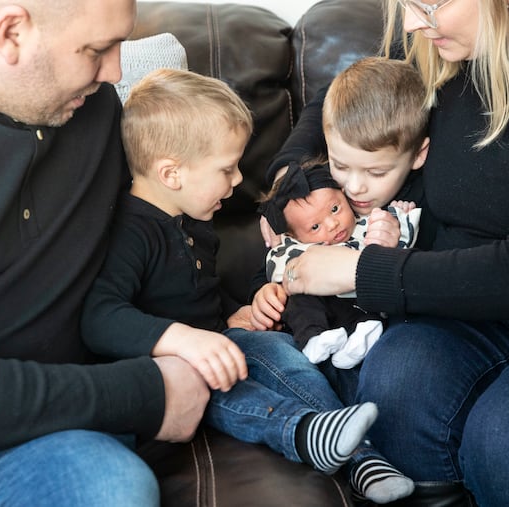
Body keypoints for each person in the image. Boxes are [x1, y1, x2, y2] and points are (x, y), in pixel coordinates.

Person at [266, 0, 509, 505]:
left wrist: (357, 270)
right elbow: (334, 99)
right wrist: (289, 180)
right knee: (394, 391)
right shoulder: (434, 46)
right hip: (474, 308)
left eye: (429, 5)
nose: (413, 23)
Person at [0, 1, 211, 506]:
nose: (116, 72)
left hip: (69, 427)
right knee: (111, 489)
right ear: (10, 33)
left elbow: (149, 239)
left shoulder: (90, 106)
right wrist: (145, 392)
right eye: (96, 50)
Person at [79, 67, 415, 504]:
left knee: (280, 351)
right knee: (216, 381)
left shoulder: (195, 218)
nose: (239, 180)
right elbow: (100, 316)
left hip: (215, 340)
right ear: (172, 174)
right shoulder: (131, 232)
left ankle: (355, 451)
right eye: (227, 169)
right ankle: (309, 435)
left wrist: (238, 312)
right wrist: (182, 340)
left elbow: (195, 290)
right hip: (165, 369)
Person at [252, 57, 429, 369]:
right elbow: (277, 259)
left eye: (376, 172)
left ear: (418, 155)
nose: (355, 187)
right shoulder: (325, 190)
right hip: (312, 327)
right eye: (341, 166)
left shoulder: (414, 202)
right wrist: (268, 293)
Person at [257, 161, 419, 368]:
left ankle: (363, 335)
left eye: (335, 209)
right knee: (299, 301)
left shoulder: (371, 222)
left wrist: (399, 216)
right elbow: (280, 273)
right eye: (315, 227)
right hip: (320, 303)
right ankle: (314, 339)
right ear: (293, 235)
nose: (333, 224)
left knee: (370, 297)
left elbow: (404, 235)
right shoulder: (293, 249)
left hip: (360, 301)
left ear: (344, 194)